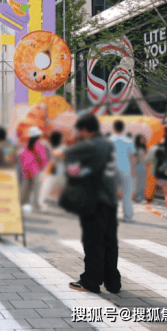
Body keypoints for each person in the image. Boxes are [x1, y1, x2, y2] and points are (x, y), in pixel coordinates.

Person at [58, 114, 120, 294]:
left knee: (93, 241)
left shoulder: (92, 144)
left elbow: (63, 154)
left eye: (80, 131)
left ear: (84, 130)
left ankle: (90, 281)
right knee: (109, 242)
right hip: (109, 200)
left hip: (95, 200)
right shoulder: (107, 143)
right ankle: (112, 282)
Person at [109, 120, 137, 221]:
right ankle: (128, 216)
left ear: (114, 128)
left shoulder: (109, 140)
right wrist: (133, 170)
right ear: (123, 128)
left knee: (111, 193)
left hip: (112, 168)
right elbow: (132, 157)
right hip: (125, 168)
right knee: (127, 193)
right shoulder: (129, 140)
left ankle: (110, 215)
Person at [19, 126, 48, 213]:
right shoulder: (39, 144)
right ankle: (37, 205)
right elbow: (42, 157)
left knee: (26, 187)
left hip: (27, 168)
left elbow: (22, 155)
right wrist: (43, 167)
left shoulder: (27, 144)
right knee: (37, 188)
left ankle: (22, 203)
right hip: (36, 169)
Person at [37, 131, 66, 210]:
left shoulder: (59, 147)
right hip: (53, 169)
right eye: (61, 138)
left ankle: (43, 203)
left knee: (46, 187)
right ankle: (42, 203)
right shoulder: (60, 147)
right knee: (46, 187)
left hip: (54, 169)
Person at [133, 135, 148, 203]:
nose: (143, 140)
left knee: (142, 183)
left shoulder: (143, 148)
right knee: (139, 183)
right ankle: (138, 198)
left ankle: (141, 197)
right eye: (142, 139)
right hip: (138, 166)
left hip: (143, 166)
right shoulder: (137, 148)